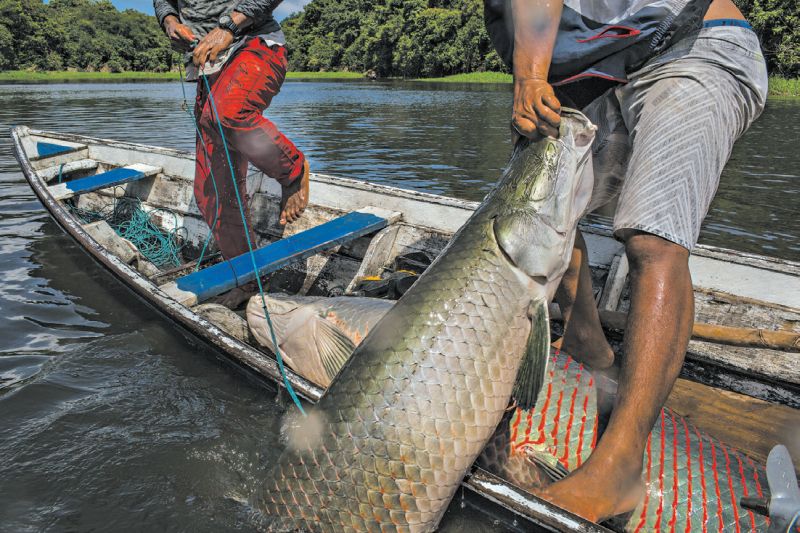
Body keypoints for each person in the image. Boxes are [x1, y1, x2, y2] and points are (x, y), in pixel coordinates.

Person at [484, 0, 767, 522]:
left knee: (651, 238)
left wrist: (528, 77)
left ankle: (621, 465)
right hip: (595, 73)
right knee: (533, 210)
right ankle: (589, 343)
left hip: (692, 44)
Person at [153, 0, 309, 309]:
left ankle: (292, 170)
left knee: (229, 112)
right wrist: (170, 23)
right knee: (212, 193)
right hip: (208, 69)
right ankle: (249, 280)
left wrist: (229, 27)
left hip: (254, 45)